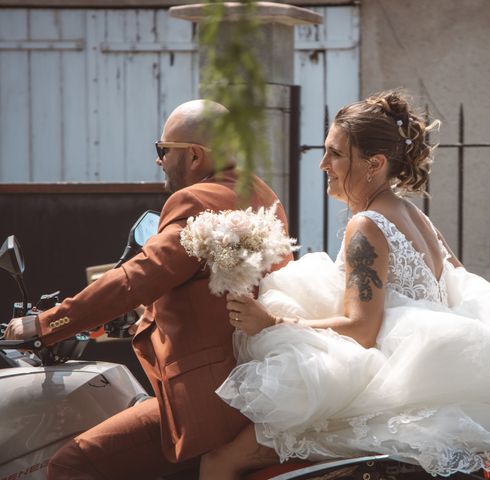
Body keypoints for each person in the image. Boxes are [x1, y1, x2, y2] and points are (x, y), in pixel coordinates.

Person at [199, 90, 490, 479]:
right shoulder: (417, 218)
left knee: (220, 462)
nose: (323, 163)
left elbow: (361, 330)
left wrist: (270, 323)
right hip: (427, 384)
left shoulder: (366, 226)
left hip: (384, 387)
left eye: (336, 153)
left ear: (374, 163)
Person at [3, 99, 293, 479]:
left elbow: (138, 276)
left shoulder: (195, 201)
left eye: (163, 150)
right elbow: (200, 285)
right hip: (254, 384)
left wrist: (46, 324)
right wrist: (127, 319)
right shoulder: (262, 195)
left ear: (193, 156)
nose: (158, 160)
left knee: (72, 465)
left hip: (212, 398)